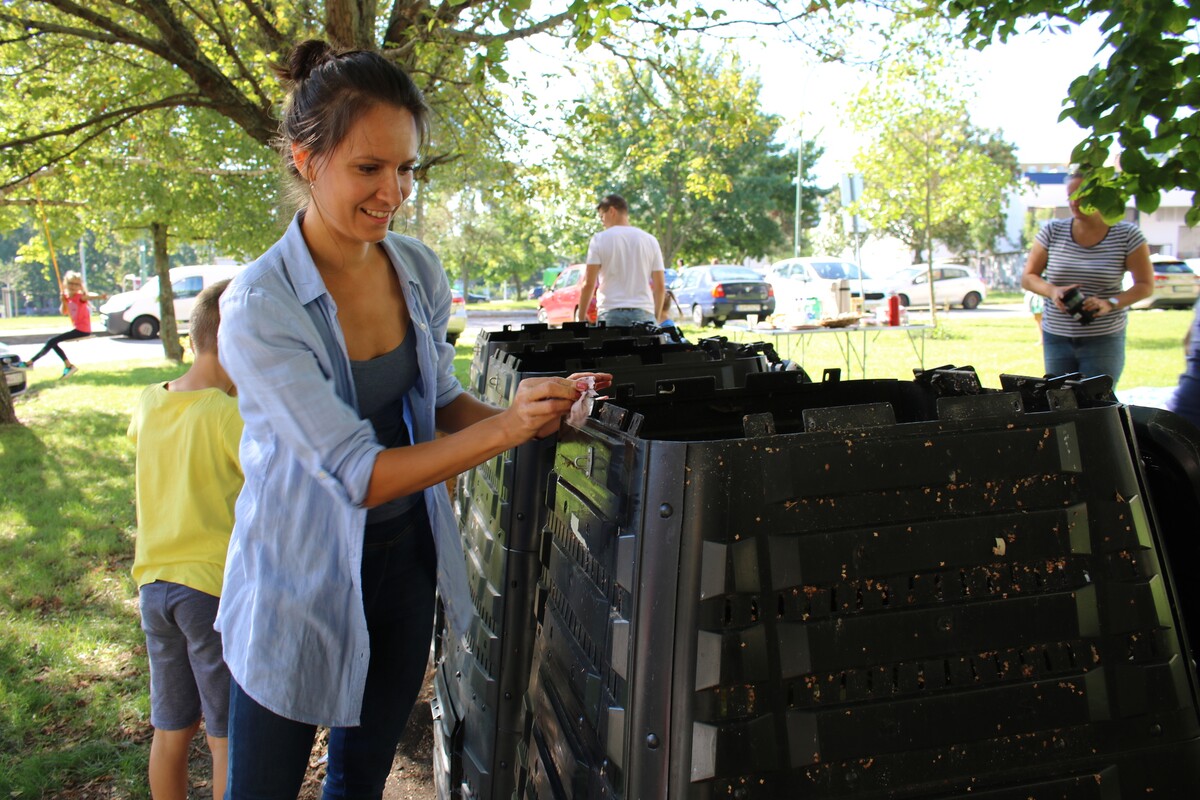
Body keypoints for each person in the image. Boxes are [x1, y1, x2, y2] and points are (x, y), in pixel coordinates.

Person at [214, 40, 610, 799]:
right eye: (369, 168)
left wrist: (533, 417)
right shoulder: (259, 307)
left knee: (359, 780)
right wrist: (504, 431)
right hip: (293, 580)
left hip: (403, 564)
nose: (392, 192)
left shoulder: (418, 269)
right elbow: (355, 474)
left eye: (405, 169)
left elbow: (437, 405)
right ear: (305, 159)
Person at [128, 278, 241, 800]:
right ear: (237, 342)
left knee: (171, 728)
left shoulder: (150, 402)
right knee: (225, 736)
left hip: (154, 588)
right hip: (210, 591)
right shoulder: (226, 414)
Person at [1020, 171, 1153, 386]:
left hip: (1104, 338)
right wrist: (1053, 291)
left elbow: (1145, 286)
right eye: (1070, 196)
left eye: (1081, 195)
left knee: (1097, 403)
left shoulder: (1127, 235)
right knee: (1059, 401)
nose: (1074, 202)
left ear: (1101, 196)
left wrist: (1110, 303)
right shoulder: (1052, 231)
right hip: (1057, 335)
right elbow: (1028, 277)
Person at [576, 193, 665, 326]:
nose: (602, 222)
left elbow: (588, 284)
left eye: (602, 217)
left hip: (610, 313)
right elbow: (660, 286)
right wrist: (656, 318)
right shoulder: (650, 240)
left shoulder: (599, 240)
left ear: (612, 211)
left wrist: (581, 318)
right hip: (643, 312)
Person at [21, 271, 105, 378]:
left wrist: (100, 297)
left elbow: (88, 297)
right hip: (78, 328)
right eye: (71, 283)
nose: (73, 286)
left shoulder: (80, 297)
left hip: (82, 330)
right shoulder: (67, 298)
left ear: (80, 286)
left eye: (76, 284)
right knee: (53, 342)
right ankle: (68, 365)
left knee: (51, 341)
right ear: (66, 283)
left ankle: (30, 363)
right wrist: (63, 301)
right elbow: (64, 312)